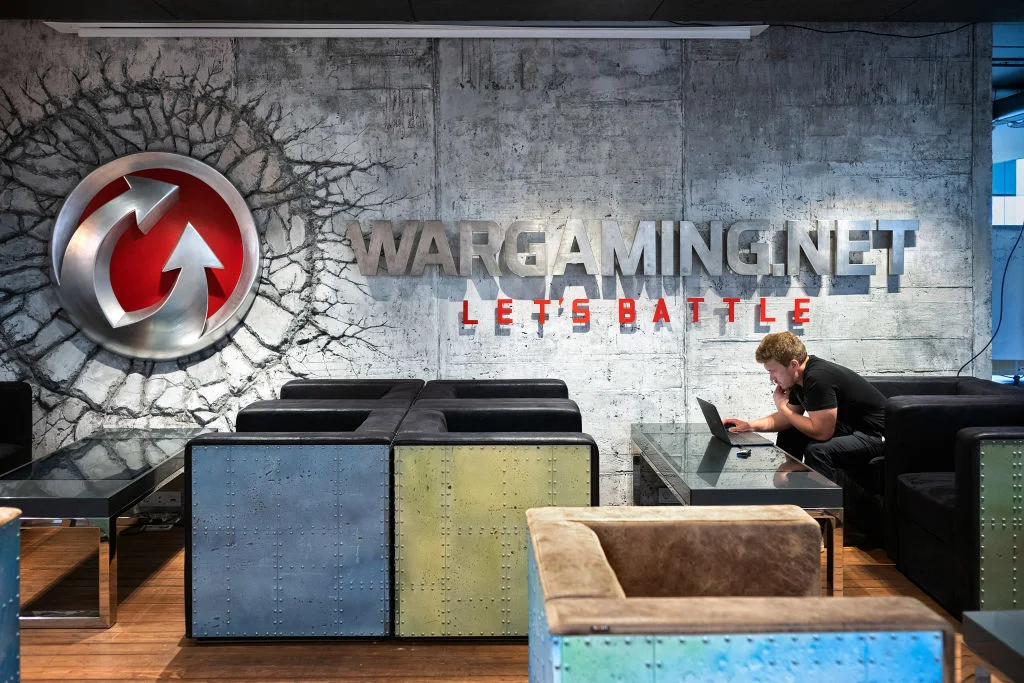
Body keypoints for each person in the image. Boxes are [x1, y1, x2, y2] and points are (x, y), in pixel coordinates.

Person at [723, 331, 886, 482]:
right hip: (848, 430)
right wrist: (749, 426)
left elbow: (823, 432)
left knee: (818, 451)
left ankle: (821, 502)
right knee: (790, 430)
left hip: (876, 435)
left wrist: (783, 408)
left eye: (773, 371)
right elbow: (787, 419)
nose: (771, 378)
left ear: (793, 364)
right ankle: (792, 482)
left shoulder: (817, 378)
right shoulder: (799, 379)